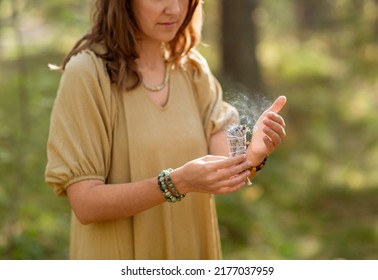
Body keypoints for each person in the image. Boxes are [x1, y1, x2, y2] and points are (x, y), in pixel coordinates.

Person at [45, 0, 287, 260]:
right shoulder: (87, 73)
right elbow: (86, 204)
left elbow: (225, 168)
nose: (174, 8)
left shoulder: (192, 68)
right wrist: (177, 183)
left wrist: (254, 154)